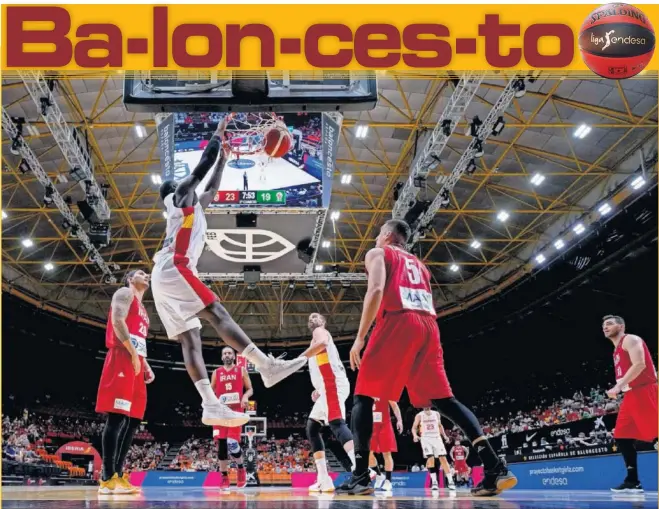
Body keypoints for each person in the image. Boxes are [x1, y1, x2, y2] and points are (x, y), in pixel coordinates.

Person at [337, 219, 516, 496]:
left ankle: (360, 476)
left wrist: (360, 338)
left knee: (363, 396)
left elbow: (375, 290)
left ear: (386, 235)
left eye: (377, 234)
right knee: (445, 400)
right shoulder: (420, 266)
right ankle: (494, 466)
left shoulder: (378, 253)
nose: (374, 239)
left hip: (398, 321)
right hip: (429, 327)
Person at [153, 116, 307, 428]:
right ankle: (265, 365)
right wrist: (218, 135)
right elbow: (201, 168)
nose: (198, 191)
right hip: (176, 267)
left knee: (190, 339)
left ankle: (210, 405)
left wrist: (224, 158)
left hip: (164, 276)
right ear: (175, 189)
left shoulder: (191, 207)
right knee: (216, 312)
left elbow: (211, 186)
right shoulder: (180, 195)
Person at [96, 270, 155, 495]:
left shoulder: (145, 311)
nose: (146, 275)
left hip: (136, 362)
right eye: (141, 273)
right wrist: (132, 354)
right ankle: (106, 477)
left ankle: (119, 475)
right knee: (117, 416)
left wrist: (146, 366)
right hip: (122, 356)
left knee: (133, 421)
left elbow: (139, 340)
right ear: (130, 279)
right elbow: (117, 320)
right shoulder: (124, 292)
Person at [300, 313, 356, 493]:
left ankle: (361, 467)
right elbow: (322, 365)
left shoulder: (320, 332)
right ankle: (323, 478)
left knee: (336, 423)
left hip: (332, 385)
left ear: (323, 322)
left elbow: (323, 343)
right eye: (311, 318)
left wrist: (297, 360)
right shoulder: (315, 341)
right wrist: (317, 389)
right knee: (312, 427)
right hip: (327, 386)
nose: (313, 318)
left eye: (316, 316)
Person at [602, 315, 658, 493]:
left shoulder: (630, 339)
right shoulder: (616, 350)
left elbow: (640, 364)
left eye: (610, 323)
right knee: (622, 435)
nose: (605, 327)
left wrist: (618, 386)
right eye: (603, 325)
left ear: (621, 326)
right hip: (631, 395)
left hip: (644, 390)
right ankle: (632, 480)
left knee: (657, 436)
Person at [211, 347, 253, 491]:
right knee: (221, 447)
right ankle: (224, 477)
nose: (227, 355)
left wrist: (246, 396)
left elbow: (250, 389)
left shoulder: (241, 370)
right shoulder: (216, 373)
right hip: (219, 413)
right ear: (222, 357)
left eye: (229, 353)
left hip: (235, 412)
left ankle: (241, 468)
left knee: (232, 443)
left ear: (234, 356)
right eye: (224, 353)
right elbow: (211, 392)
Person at [412, 407, 455, 491]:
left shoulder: (436, 413)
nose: (426, 406)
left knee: (443, 458)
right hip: (425, 438)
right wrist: (415, 435)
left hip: (437, 437)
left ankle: (451, 481)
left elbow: (440, 425)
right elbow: (414, 427)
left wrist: (445, 436)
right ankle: (434, 482)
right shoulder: (419, 415)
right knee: (430, 459)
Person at [369, 398, 402, 492]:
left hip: (384, 425)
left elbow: (394, 406)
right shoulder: (365, 393)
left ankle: (388, 481)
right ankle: (379, 475)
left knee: (387, 453)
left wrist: (399, 420)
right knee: (368, 454)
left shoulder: (386, 390)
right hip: (371, 426)